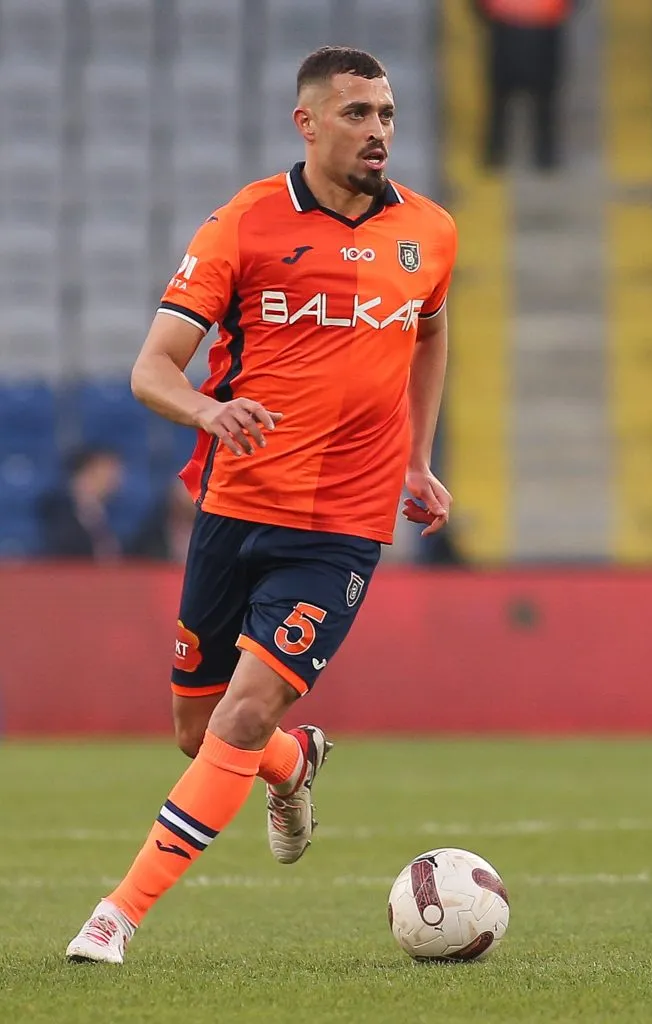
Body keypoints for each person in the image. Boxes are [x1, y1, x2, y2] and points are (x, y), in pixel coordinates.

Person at [66, 45, 457, 964]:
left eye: (388, 114)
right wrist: (211, 408)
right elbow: (150, 369)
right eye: (357, 113)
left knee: (241, 716)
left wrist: (416, 458)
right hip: (236, 507)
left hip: (343, 527)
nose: (377, 131)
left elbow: (431, 332)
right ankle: (295, 761)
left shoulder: (430, 232)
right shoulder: (244, 223)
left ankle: (116, 914)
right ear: (308, 122)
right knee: (198, 731)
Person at [473, 0, 575, 171]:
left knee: (506, 98)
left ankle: (497, 154)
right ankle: (543, 155)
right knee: (541, 98)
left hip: (512, 27)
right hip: (537, 28)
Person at [38, 447, 123, 559]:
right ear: (87, 472)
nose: (115, 480)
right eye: (107, 472)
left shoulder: (103, 513)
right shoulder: (56, 509)